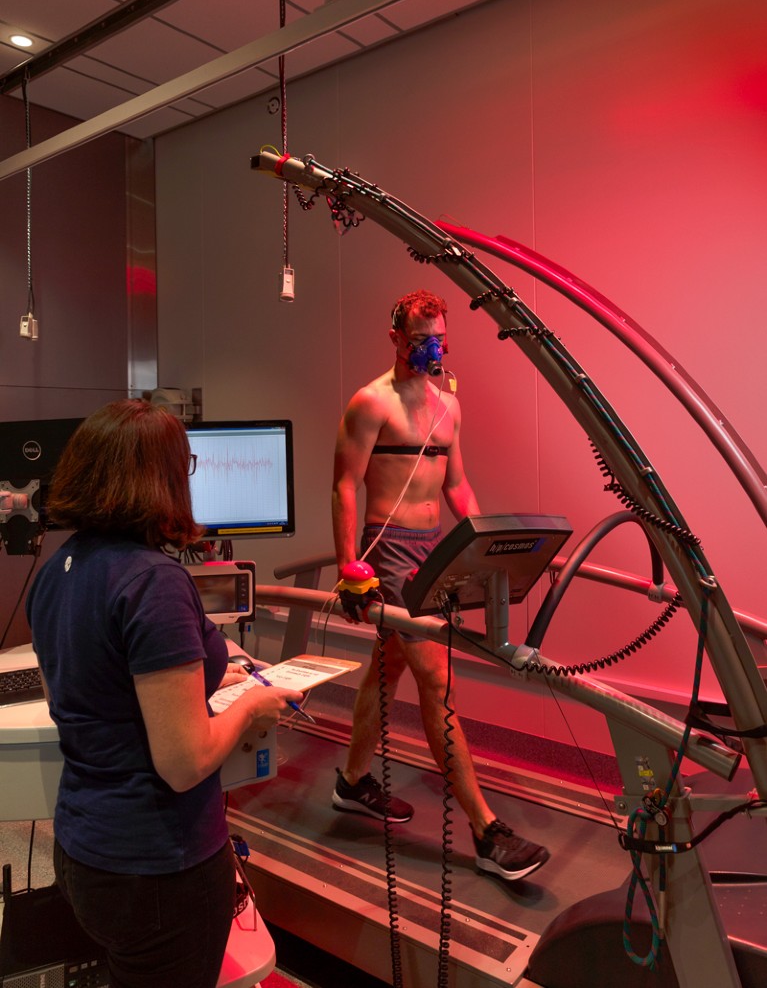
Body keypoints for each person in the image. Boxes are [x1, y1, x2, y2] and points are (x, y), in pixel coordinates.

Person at [25, 400, 303, 988]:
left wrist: (206, 677)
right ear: (164, 478)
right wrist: (253, 703)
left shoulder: (59, 568)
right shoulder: (154, 582)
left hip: (82, 852)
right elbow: (183, 764)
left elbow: (80, 692)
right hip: (156, 870)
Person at [330, 289, 549, 882]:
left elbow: (456, 484)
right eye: (422, 337)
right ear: (397, 338)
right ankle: (485, 831)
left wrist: (486, 542)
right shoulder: (371, 404)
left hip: (432, 551)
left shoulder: (449, 407)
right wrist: (351, 565)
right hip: (390, 549)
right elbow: (346, 485)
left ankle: (350, 782)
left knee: (389, 669)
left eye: (440, 339)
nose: (432, 347)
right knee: (436, 678)